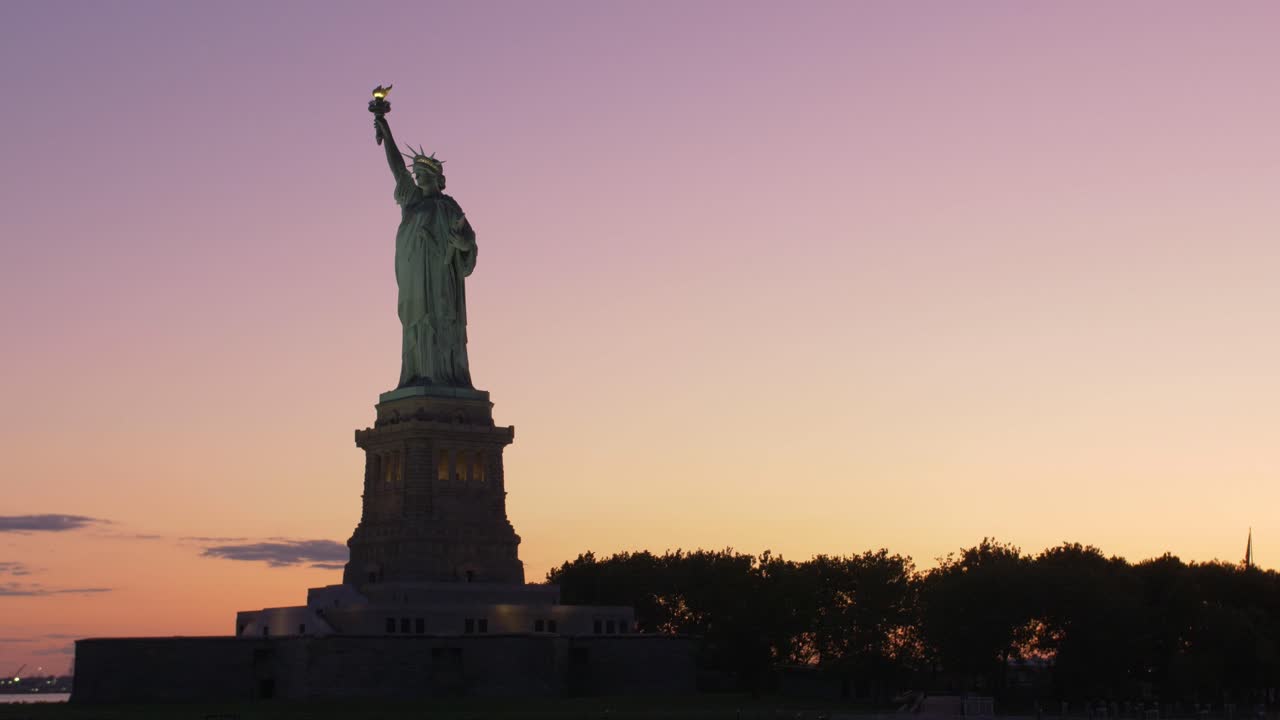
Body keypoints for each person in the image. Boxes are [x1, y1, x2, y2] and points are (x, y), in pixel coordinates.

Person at [374, 114, 476, 389]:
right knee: (417, 327)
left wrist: (461, 244)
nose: (417, 179)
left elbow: (469, 243)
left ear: (437, 178)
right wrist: (386, 130)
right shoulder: (413, 202)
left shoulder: (449, 207)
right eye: (416, 175)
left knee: (442, 324)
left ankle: (446, 377)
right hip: (415, 280)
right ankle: (417, 375)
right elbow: (398, 170)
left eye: (422, 175)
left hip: (442, 279)